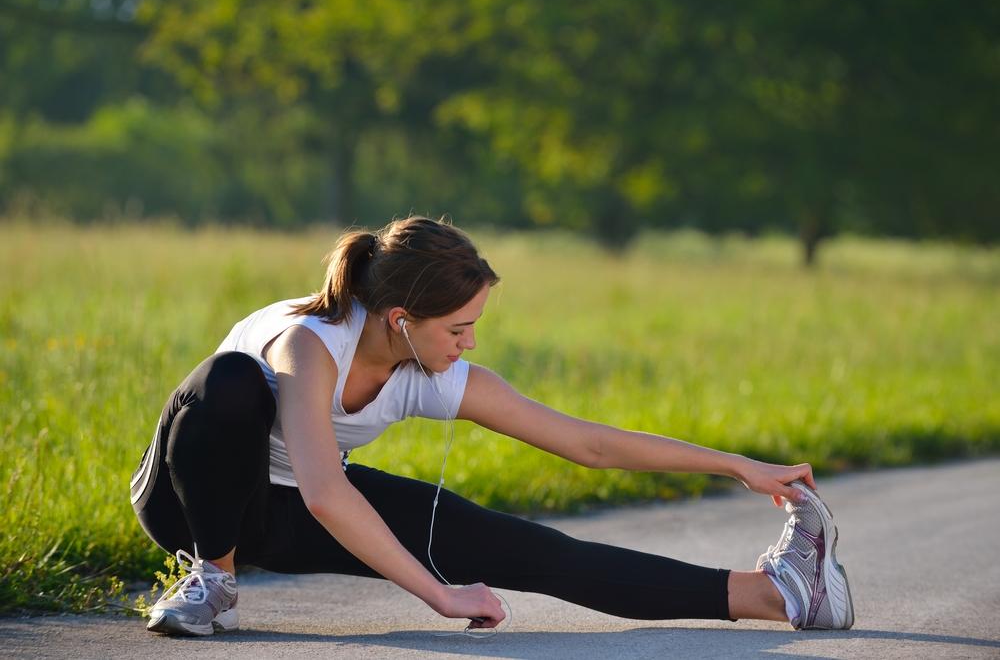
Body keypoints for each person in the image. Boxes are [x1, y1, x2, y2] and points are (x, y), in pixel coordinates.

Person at [130, 216, 854, 637]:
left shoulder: (427, 366)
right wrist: (440, 595)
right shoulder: (310, 344)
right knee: (226, 383)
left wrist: (737, 464)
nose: (469, 343)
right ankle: (212, 582)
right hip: (189, 500)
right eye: (461, 327)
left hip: (283, 510)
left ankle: (780, 592)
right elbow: (325, 489)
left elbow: (587, 444)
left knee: (528, 547)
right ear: (401, 321)